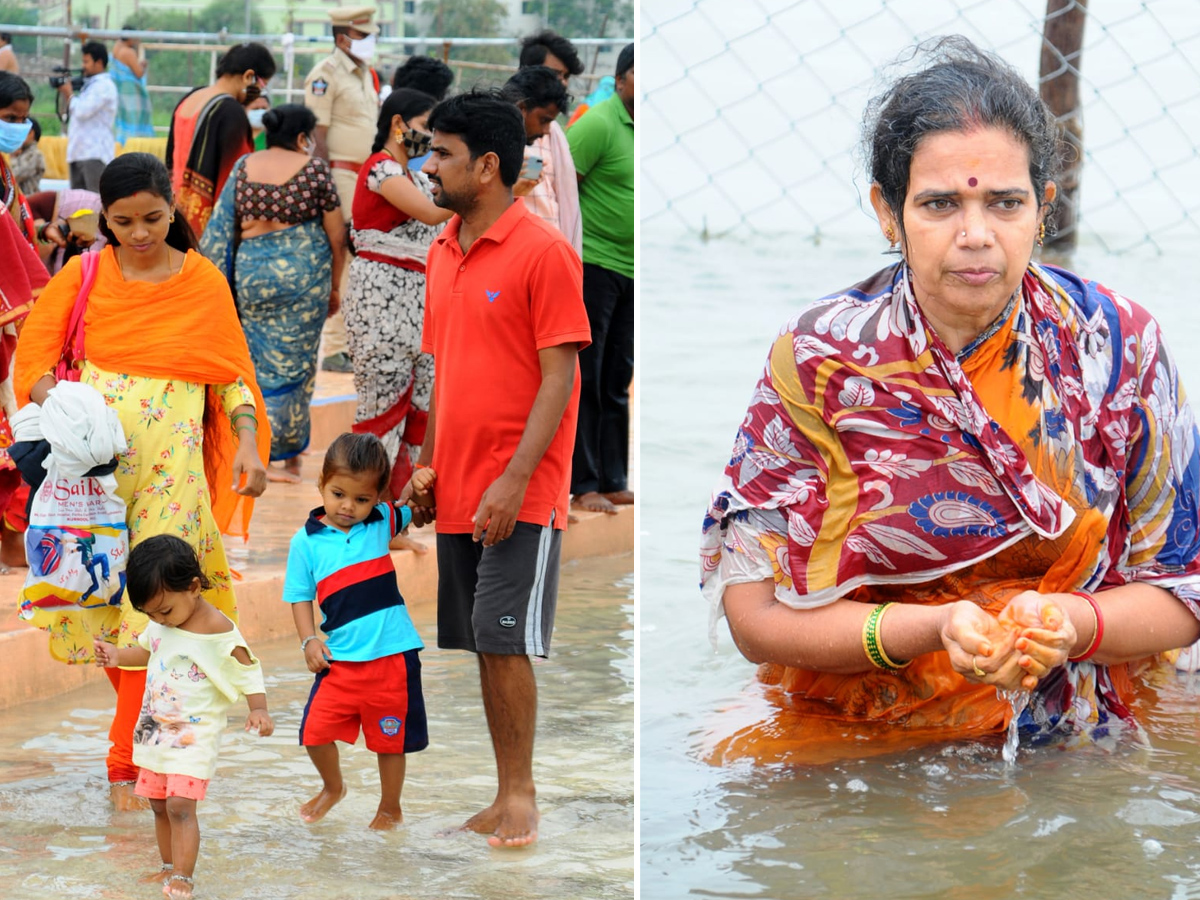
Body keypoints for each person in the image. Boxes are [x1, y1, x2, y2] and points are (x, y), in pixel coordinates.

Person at [699, 36, 1200, 766]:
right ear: (886, 210)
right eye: (939, 204)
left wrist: (1067, 624)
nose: (975, 236)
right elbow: (755, 619)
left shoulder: (1117, 345)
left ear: (1043, 208)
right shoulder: (818, 361)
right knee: (718, 782)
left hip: (1081, 702)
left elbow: (1183, 592)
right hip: (863, 710)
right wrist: (930, 632)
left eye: (1005, 203)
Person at [14, 152, 270, 809]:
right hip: (93, 482)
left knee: (159, 605)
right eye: (123, 222)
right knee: (111, 613)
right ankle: (151, 742)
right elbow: (34, 364)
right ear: (104, 219)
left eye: (153, 218)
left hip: (172, 478)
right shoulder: (84, 274)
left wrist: (246, 442)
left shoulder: (203, 281)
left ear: (171, 210)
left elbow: (231, 375)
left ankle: (125, 765)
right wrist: (69, 406)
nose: (139, 234)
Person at [413, 89, 590, 846]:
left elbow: (562, 375)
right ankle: (502, 792)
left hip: (521, 485)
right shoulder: (443, 247)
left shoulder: (543, 249)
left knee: (504, 634)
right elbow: (442, 369)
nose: (426, 165)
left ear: (486, 166)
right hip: (456, 479)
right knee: (483, 638)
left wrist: (516, 480)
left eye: (441, 153)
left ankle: (521, 797)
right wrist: (423, 465)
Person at [93, 535, 274, 900]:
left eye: (165, 612)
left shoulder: (217, 628)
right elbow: (144, 651)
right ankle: (166, 867)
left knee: (179, 805)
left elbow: (247, 668)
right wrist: (116, 655)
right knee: (159, 804)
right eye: (151, 615)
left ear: (193, 587)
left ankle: (184, 877)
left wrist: (258, 708)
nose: (160, 620)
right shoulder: (162, 623)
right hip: (157, 729)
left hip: (194, 733)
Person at [283, 432, 429, 830]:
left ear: (376, 498)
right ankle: (334, 787)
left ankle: (389, 808)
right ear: (321, 484)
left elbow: (413, 507)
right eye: (338, 494)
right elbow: (299, 595)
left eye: (362, 499)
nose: (348, 507)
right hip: (341, 660)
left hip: (393, 657)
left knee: (389, 742)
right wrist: (308, 640)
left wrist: (417, 486)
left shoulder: (382, 521)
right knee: (314, 732)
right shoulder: (305, 542)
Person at [202, 104, 347, 484]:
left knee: (252, 362)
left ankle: (254, 448)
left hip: (253, 277)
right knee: (296, 367)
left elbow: (223, 226)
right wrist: (334, 285)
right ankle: (290, 458)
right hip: (304, 281)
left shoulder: (245, 166)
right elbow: (336, 235)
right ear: (303, 137)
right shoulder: (314, 170)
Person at [342, 88, 449, 507]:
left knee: (417, 411)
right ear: (398, 124)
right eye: (426, 128)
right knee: (380, 408)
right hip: (379, 302)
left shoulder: (417, 176)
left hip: (421, 306)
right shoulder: (380, 170)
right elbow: (430, 213)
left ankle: (397, 512)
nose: (431, 139)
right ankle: (366, 510)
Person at [568, 43, 635, 515]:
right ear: (624, 78)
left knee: (618, 376)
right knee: (587, 375)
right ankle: (584, 482)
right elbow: (561, 187)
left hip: (635, 269)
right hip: (594, 262)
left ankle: (614, 477)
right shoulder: (598, 123)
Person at [305, 5, 381, 376]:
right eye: (364, 36)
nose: (371, 42)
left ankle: (346, 344)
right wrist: (324, 189)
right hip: (338, 175)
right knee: (343, 253)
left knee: (356, 254)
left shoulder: (366, 75)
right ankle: (335, 347)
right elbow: (316, 135)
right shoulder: (326, 75)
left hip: (362, 176)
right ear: (342, 38)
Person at [166, 42, 276, 237]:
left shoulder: (191, 97)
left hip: (175, 211)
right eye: (261, 84)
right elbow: (234, 178)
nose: (260, 91)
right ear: (248, 76)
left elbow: (170, 157)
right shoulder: (230, 110)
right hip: (206, 221)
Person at [504, 66, 580, 255]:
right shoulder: (485, 144)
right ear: (522, 108)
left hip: (544, 248)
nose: (546, 130)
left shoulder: (545, 142)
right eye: (544, 120)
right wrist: (514, 193)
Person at [59, 41, 117, 192]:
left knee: (95, 202)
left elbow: (82, 111)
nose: (83, 66)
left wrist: (69, 94)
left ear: (99, 62)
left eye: (86, 61)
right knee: (78, 206)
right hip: (79, 152)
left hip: (94, 154)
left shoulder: (104, 86)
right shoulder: (91, 85)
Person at [0, 72, 37, 243]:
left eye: (23, 119)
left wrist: (42, 231)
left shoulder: (2, 165)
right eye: (10, 118)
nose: (18, 127)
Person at [111, 28, 155, 146]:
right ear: (130, 37)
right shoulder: (128, 52)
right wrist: (143, 66)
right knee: (133, 120)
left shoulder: (116, 48)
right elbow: (138, 73)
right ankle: (132, 145)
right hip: (130, 91)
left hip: (119, 90)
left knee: (121, 120)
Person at [9, 115, 42, 195]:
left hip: (29, 198)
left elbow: (16, 176)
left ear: (31, 133)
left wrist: (13, 158)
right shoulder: (22, 152)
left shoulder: (34, 154)